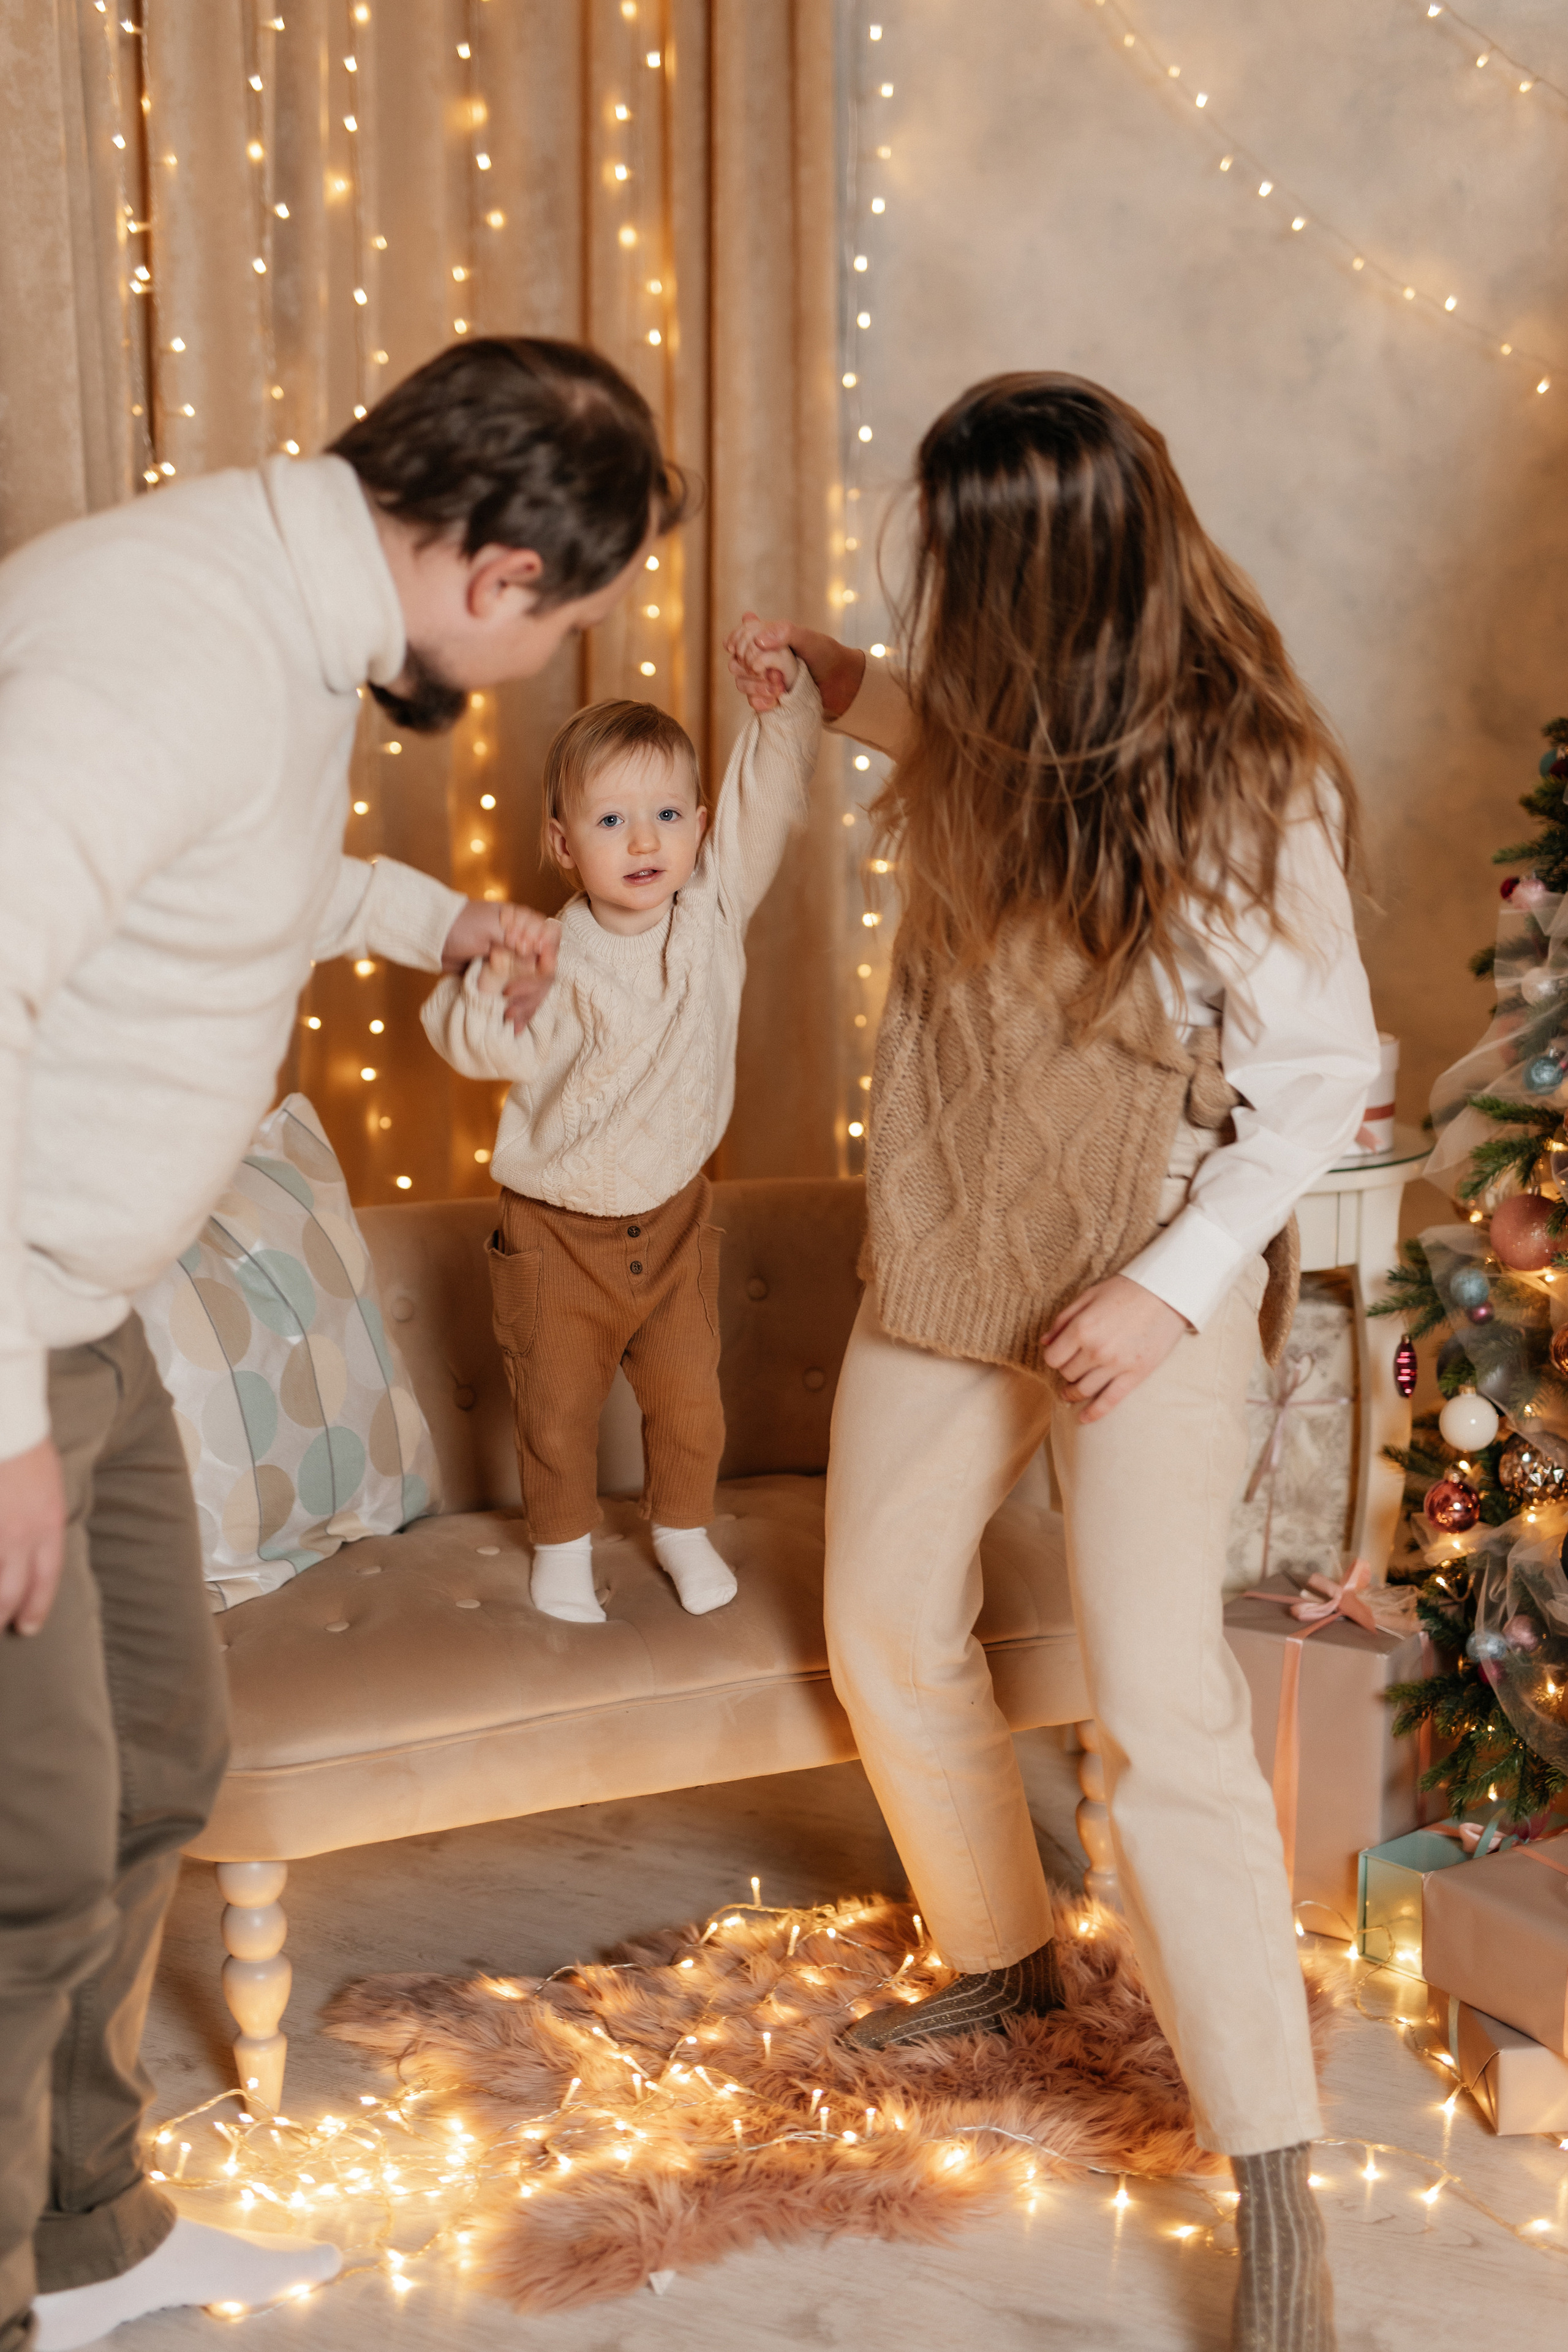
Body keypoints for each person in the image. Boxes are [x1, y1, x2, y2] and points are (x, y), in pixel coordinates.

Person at [0, 335, 687, 2352]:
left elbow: (224, 874)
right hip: (5, 1332)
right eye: (563, 615)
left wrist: (429, 922)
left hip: (78, 1309)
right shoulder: (178, 641)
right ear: (495, 577)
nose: (546, 650)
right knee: (27, 1855)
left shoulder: (285, 614)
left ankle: (90, 2233)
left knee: (155, 1777)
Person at [728, 372, 1380, 2352]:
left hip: (1140, 1275)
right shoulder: (1002, 713)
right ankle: (1008, 1958)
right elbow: (993, 749)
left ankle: (1274, 2175)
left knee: (1158, 1715)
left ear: (1049, 582)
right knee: (882, 1617)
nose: (929, 596)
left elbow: (1323, 1076)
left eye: (955, 573)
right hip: (956, 1244)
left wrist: (1173, 1285)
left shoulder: (1249, 785)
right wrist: (848, 686)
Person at [421, 643, 821, 1624]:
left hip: (676, 1221)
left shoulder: (712, 914)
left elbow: (768, 803)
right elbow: (467, 1042)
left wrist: (781, 715)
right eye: (611, 821)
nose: (645, 840)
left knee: (690, 1403)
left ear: (700, 830)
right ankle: (559, 1549)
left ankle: (681, 1529)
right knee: (556, 1406)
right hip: (556, 1229)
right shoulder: (551, 955)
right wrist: (497, 997)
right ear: (564, 846)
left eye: (669, 816)